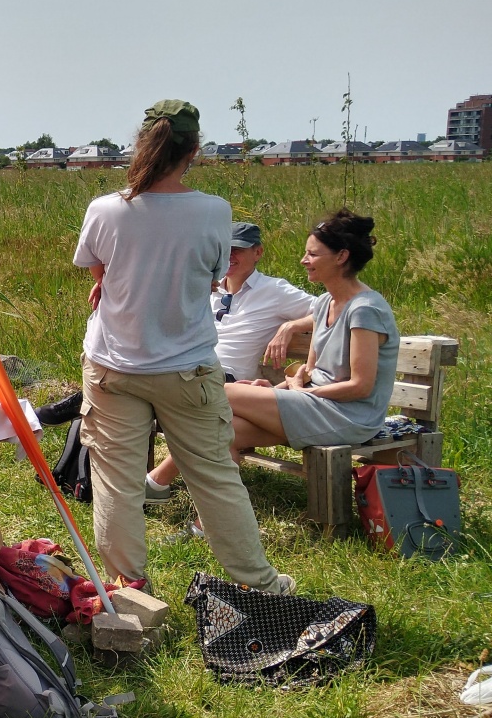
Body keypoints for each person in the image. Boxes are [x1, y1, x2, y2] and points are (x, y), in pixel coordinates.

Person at [72, 99, 295, 596]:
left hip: (111, 365)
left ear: (141, 143)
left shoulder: (105, 209)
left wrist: (112, 282)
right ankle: (261, 585)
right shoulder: (213, 211)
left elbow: (100, 273)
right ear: (193, 149)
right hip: (187, 369)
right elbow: (214, 276)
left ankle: (130, 585)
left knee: (116, 481)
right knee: (214, 477)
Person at [145, 220, 316, 500]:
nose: (230, 257)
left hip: (228, 381)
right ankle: (157, 487)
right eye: (225, 250)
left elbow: (328, 309)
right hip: (192, 373)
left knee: (210, 423)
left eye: (238, 250)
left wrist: (290, 327)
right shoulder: (207, 288)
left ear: (258, 253)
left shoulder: (274, 291)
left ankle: (154, 485)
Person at [222, 209, 398, 458]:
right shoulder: (326, 302)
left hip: (349, 417)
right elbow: (311, 373)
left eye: (313, 254)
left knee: (225, 393)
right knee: (221, 432)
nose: (304, 260)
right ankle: (227, 498)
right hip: (316, 406)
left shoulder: (365, 309)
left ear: (341, 257)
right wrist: (278, 390)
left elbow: (360, 387)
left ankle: (158, 484)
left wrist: (297, 394)